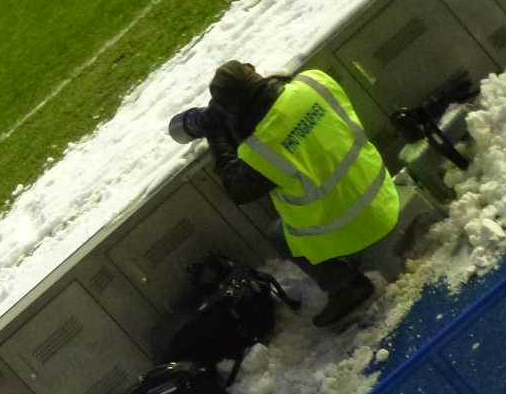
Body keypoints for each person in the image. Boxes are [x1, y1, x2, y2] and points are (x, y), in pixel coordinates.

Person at [169, 61, 399, 328]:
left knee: (278, 233)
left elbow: (237, 188)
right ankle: (349, 251)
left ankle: (345, 286)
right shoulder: (315, 82)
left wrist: (215, 132)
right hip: (382, 196)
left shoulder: (259, 151)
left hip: (352, 225)